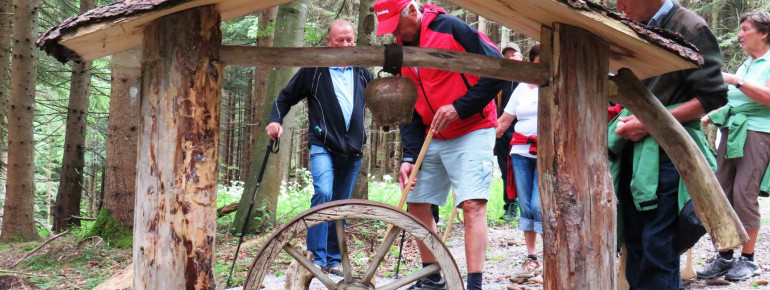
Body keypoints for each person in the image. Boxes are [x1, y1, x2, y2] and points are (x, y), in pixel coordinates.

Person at [373, 0, 504, 289]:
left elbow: (498, 69)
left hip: (473, 127)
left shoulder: (450, 28)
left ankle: (474, 284)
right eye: (389, 29)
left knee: (472, 204)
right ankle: (432, 277)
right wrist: (409, 156)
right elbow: (406, 103)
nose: (395, 33)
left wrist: (460, 107)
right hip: (431, 132)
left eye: (397, 25)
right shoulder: (399, 49)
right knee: (417, 201)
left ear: (411, 10)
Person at [611, 0, 728, 289]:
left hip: (669, 156)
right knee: (635, 244)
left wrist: (649, 122)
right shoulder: (634, 26)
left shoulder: (689, 27)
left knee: (657, 247)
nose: (618, 5)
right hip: (633, 152)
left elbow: (712, 97)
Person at [265, 19, 373, 274]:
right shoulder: (315, 70)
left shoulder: (361, 71)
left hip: (353, 150)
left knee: (340, 206)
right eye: (340, 40)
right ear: (329, 42)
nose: (345, 45)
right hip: (323, 145)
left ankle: (334, 260)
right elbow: (285, 97)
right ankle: (316, 257)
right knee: (324, 193)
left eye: (349, 40)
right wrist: (274, 120)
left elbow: (380, 98)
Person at [698, 12, 770, 281]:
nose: (740, 35)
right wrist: (706, 116)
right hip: (731, 130)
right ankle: (725, 256)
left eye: (746, 29)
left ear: (764, 33)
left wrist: (736, 80)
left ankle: (749, 260)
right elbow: (733, 102)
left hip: (757, 132)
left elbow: (768, 98)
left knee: (744, 194)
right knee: (722, 192)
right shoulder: (746, 64)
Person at [496, 44, 542, 278]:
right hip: (520, 152)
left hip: (548, 154)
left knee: (539, 205)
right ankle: (532, 258)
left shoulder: (557, 86)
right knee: (525, 204)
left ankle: (553, 255)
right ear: (531, 63)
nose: (542, 67)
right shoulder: (521, 89)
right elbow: (503, 122)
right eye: (538, 63)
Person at [496, 43, 523, 221]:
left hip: (524, 132)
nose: (510, 58)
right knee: (506, 170)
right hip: (502, 130)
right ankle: (510, 206)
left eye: (513, 55)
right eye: (506, 56)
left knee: (525, 168)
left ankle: (527, 208)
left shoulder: (529, 80)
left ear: (521, 57)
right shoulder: (499, 80)